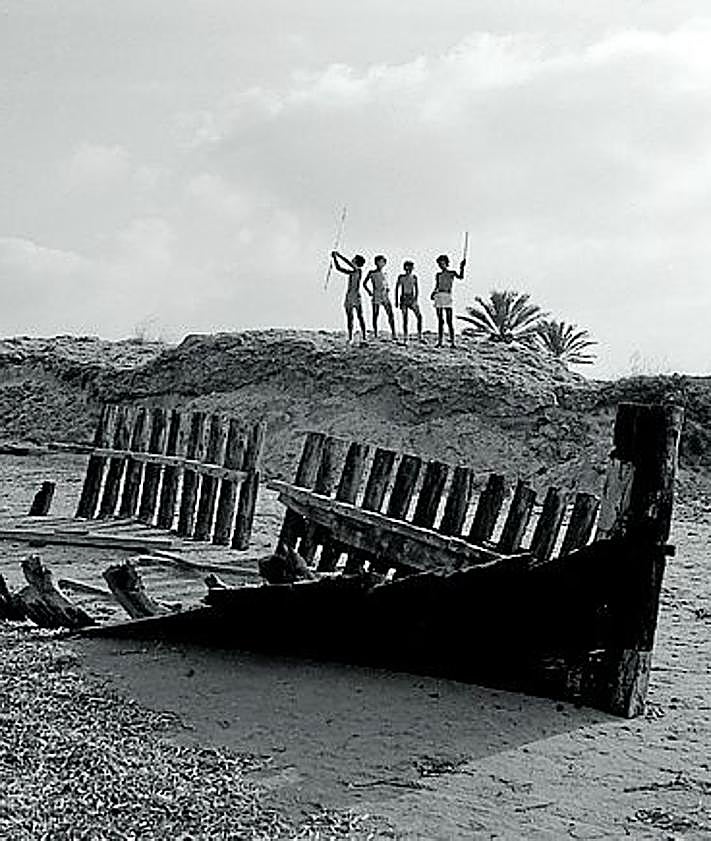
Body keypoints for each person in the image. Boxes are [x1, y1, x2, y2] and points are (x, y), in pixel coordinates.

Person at [331, 251, 367, 343]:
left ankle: (364, 336)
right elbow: (339, 268)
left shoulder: (358, 270)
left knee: (360, 316)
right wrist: (335, 258)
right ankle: (350, 337)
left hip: (356, 296)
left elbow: (349, 263)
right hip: (349, 296)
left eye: (354, 259)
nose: (352, 259)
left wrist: (339, 255)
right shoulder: (352, 272)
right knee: (350, 318)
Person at [431, 253, 465, 348]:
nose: (441, 266)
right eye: (439, 264)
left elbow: (461, 277)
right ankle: (440, 341)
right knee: (440, 321)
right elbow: (437, 286)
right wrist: (433, 293)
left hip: (447, 295)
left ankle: (453, 342)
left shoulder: (452, 273)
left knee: (449, 320)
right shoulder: (438, 275)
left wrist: (462, 267)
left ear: (447, 263)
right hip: (439, 296)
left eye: (442, 263)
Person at [363, 255, 397, 339]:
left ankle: (394, 333)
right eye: (378, 262)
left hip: (385, 295)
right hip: (376, 295)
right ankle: (375, 333)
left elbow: (385, 283)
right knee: (375, 314)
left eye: (382, 262)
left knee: (390, 314)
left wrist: (387, 289)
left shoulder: (385, 273)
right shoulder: (372, 273)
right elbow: (364, 283)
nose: (380, 263)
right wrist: (369, 292)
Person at [395, 260, 422, 344]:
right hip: (404, 298)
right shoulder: (401, 277)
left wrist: (416, 299)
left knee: (419, 316)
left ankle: (419, 336)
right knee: (405, 319)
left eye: (410, 267)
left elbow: (417, 289)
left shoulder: (414, 277)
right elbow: (397, 288)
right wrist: (396, 300)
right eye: (407, 267)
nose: (409, 269)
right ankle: (405, 338)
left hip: (411, 297)